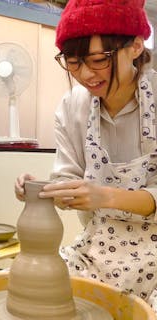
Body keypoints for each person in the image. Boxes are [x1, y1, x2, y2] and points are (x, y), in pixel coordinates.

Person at [14, 0, 157, 310]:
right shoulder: (72, 107)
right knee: (36, 293)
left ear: (135, 46)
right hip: (99, 246)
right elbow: (69, 179)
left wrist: (107, 197)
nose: (85, 74)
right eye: (73, 62)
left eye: (97, 60)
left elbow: (102, 195)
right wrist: (42, 190)